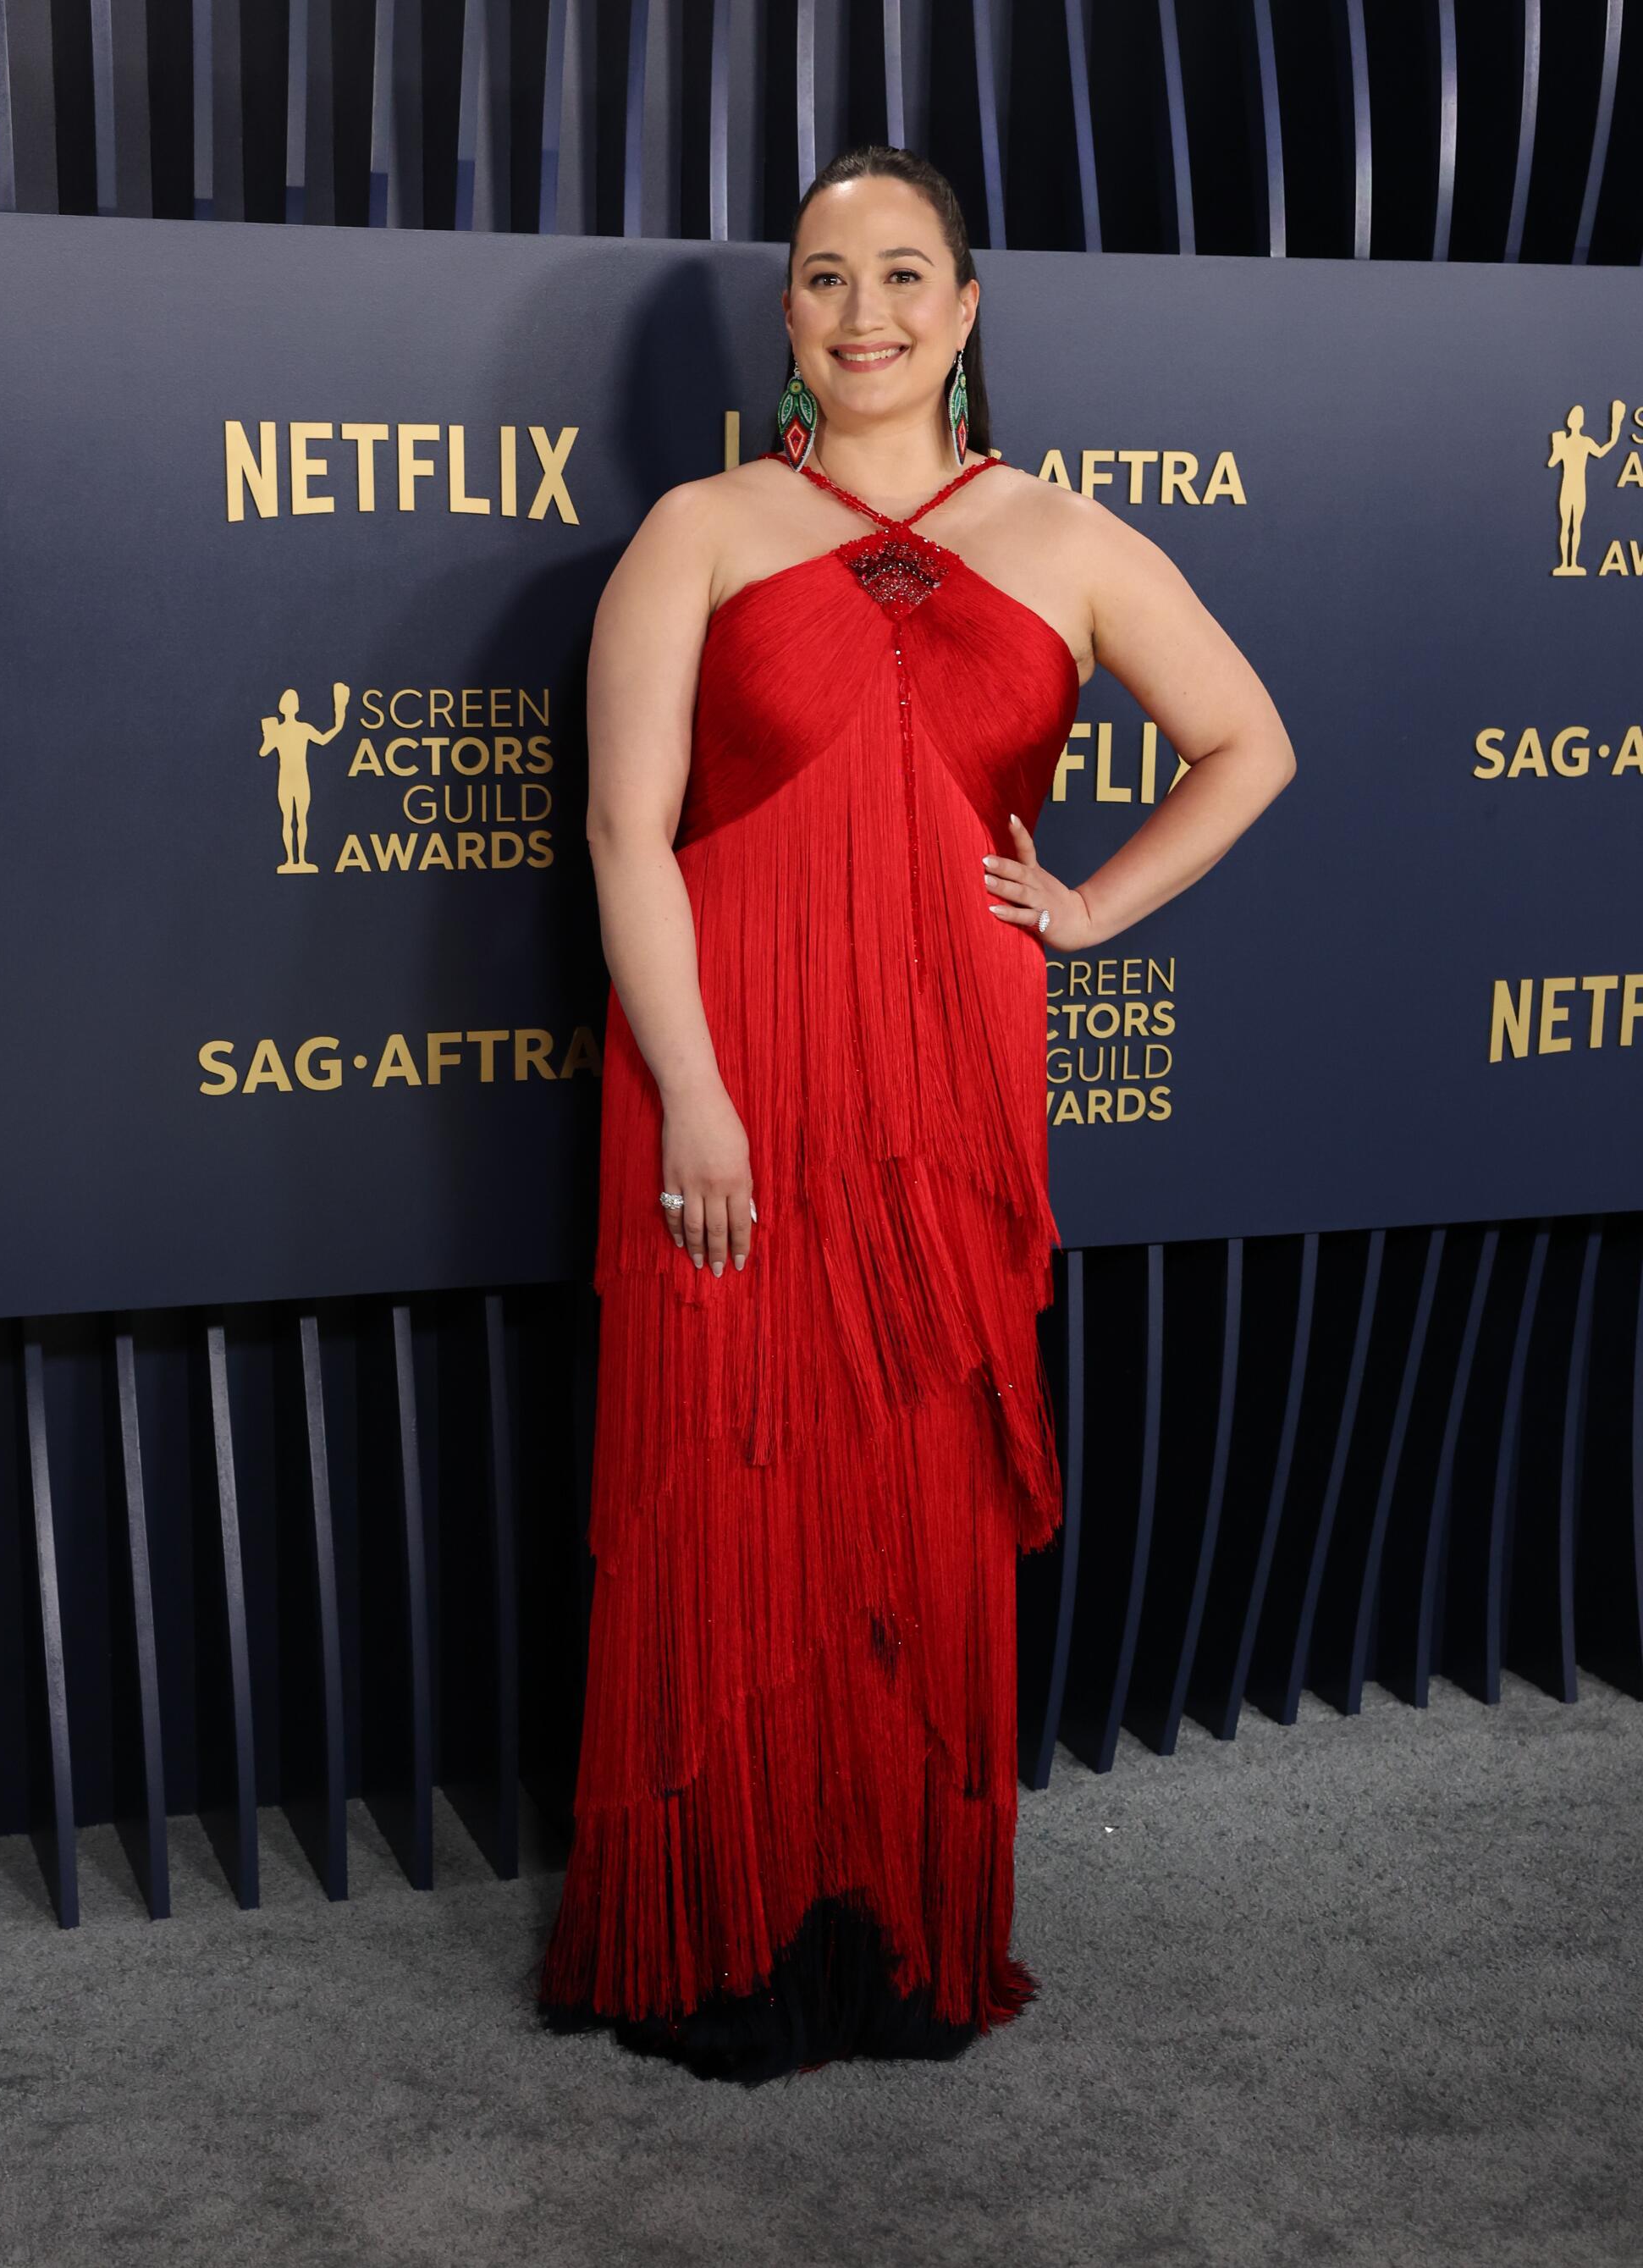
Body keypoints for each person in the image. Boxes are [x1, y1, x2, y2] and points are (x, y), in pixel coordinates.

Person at [535, 145, 1296, 2084]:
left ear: (965, 308)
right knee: (729, 1480)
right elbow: (627, 835)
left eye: (901, 274)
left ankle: (890, 1917)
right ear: (783, 317)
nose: (860, 312)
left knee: (918, 1486)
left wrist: (1093, 905)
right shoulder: (697, 528)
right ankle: (716, 1925)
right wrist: (693, 1093)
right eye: (819, 278)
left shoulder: (1072, 538)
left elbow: (1247, 743)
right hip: (728, 1074)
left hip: (947, 1076)